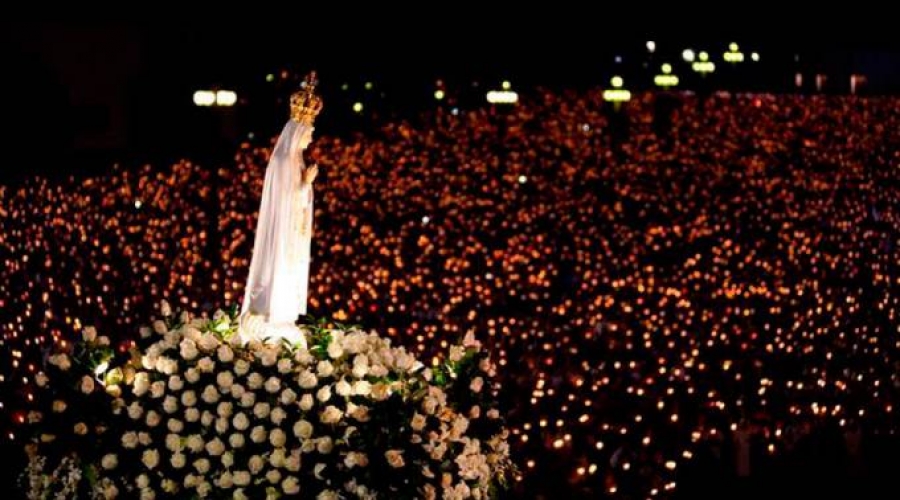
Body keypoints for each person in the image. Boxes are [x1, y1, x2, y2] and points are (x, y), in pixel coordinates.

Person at [240, 72, 322, 345]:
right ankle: (271, 312)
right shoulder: (282, 162)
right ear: (298, 132)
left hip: (293, 236)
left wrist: (304, 186)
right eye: (309, 133)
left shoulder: (296, 160)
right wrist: (303, 186)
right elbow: (283, 202)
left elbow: (298, 199)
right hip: (281, 235)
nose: (311, 139)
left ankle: (284, 313)